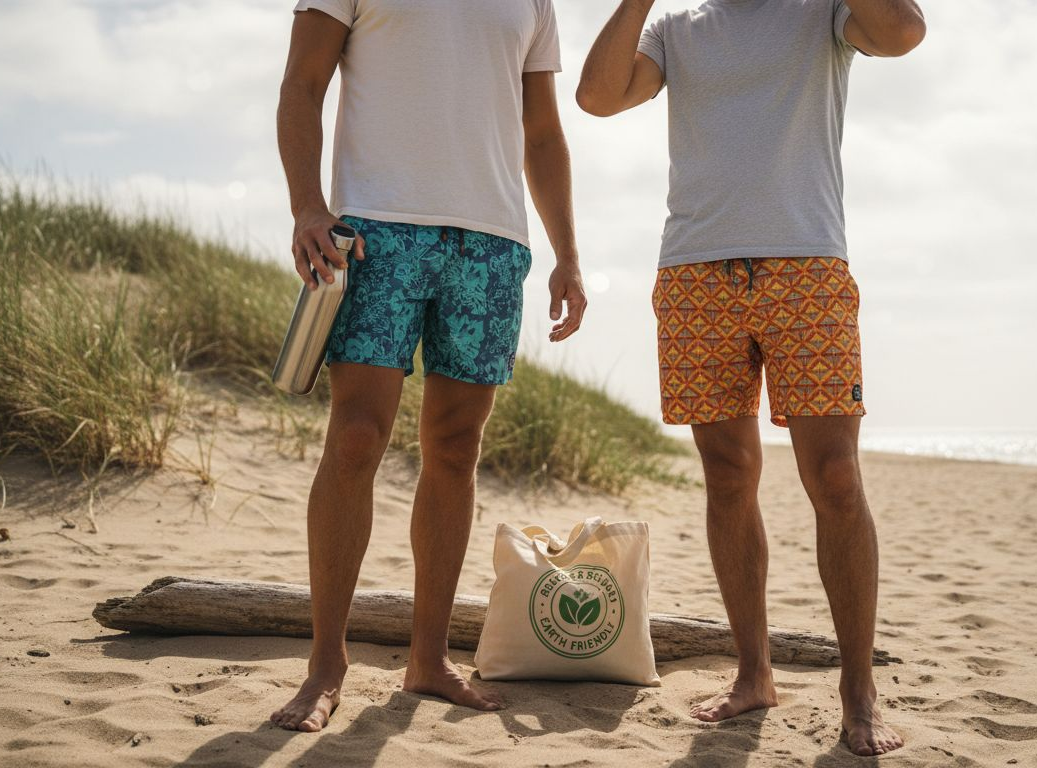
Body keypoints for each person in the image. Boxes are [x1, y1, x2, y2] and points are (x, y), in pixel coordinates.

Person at [576, 0, 924, 756]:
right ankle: (754, 674)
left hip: (808, 265)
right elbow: (598, 97)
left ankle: (858, 691)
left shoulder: (824, 12)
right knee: (728, 474)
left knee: (834, 477)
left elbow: (903, 31)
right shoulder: (675, 29)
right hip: (696, 268)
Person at [270, 0, 586, 733]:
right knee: (355, 438)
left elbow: (542, 133)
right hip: (376, 231)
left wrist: (567, 252)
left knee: (456, 447)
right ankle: (326, 666)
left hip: (492, 243)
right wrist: (307, 206)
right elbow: (301, 84)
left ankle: (429, 658)